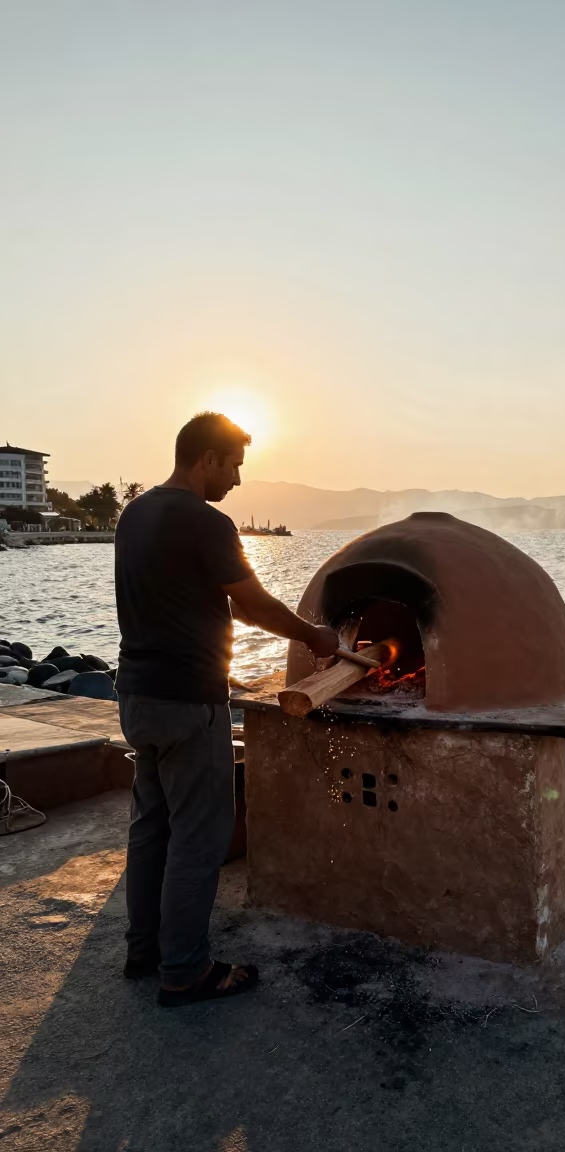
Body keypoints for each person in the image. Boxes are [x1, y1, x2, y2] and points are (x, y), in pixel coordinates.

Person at [114, 411, 338, 1007]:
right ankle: (185, 971)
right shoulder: (207, 521)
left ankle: (145, 949)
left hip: (136, 696)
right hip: (189, 702)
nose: (237, 480)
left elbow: (208, 602)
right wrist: (312, 635)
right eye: (234, 465)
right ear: (207, 458)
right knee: (198, 837)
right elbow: (252, 604)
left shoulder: (133, 515)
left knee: (151, 824)